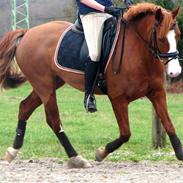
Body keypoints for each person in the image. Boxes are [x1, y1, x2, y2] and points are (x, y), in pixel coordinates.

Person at [76, 0, 133, 113]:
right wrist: (105, 9)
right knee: (95, 53)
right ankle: (89, 96)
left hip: (110, 12)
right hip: (91, 14)